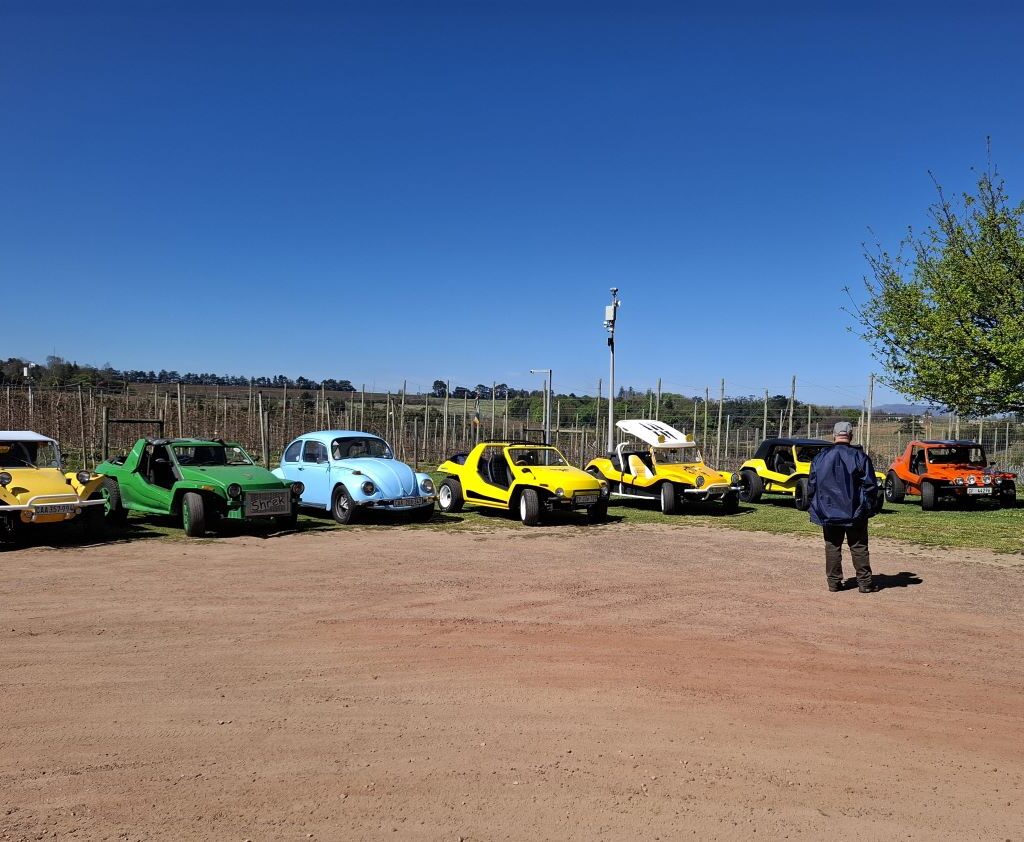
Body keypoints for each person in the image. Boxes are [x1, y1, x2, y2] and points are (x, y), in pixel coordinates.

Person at [807, 421, 878, 593]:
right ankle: (865, 583)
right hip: (855, 511)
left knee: (832, 546)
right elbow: (870, 486)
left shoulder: (820, 458)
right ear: (851, 435)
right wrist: (866, 507)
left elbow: (811, 485)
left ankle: (834, 583)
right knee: (859, 546)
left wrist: (815, 506)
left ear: (834, 435)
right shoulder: (860, 457)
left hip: (828, 511)